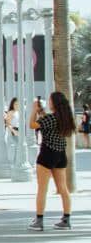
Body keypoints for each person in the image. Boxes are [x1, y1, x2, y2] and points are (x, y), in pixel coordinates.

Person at [27, 91, 76, 231]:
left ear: (54, 103)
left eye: (50, 100)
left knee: (42, 188)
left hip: (47, 153)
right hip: (61, 154)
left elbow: (32, 125)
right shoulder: (65, 118)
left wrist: (34, 111)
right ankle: (66, 219)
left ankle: (39, 220)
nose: (48, 102)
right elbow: (48, 122)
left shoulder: (51, 118)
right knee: (63, 188)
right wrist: (41, 112)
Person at [4, 97, 21, 162]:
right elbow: (8, 124)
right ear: (12, 104)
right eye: (15, 104)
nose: (17, 106)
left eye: (18, 104)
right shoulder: (11, 112)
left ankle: (16, 160)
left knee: (18, 146)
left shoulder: (19, 112)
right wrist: (13, 131)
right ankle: (15, 160)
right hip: (13, 131)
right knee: (17, 146)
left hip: (19, 130)